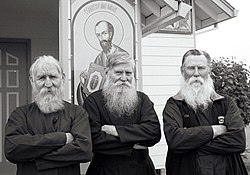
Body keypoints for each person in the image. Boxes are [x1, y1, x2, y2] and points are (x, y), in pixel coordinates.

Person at [163, 49, 248, 175]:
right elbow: (175, 140)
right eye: (191, 68)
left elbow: (238, 142)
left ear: (209, 70)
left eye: (201, 68)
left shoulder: (226, 103)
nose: (196, 74)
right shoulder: (174, 104)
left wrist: (191, 142)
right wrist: (214, 130)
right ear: (182, 71)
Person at [5, 55, 93, 175]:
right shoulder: (20, 114)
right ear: (32, 80)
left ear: (62, 79)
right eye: (41, 77)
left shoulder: (77, 113)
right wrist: (62, 138)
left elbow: (84, 150)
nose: (48, 83)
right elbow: (12, 149)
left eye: (53, 77)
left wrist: (38, 159)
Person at [83, 52, 161, 175]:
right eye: (118, 72)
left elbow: (154, 132)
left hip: (141, 169)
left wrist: (116, 131)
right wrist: (134, 144)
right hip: (105, 169)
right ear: (108, 73)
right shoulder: (93, 101)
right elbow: (94, 140)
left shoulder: (143, 99)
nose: (124, 78)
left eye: (128, 73)